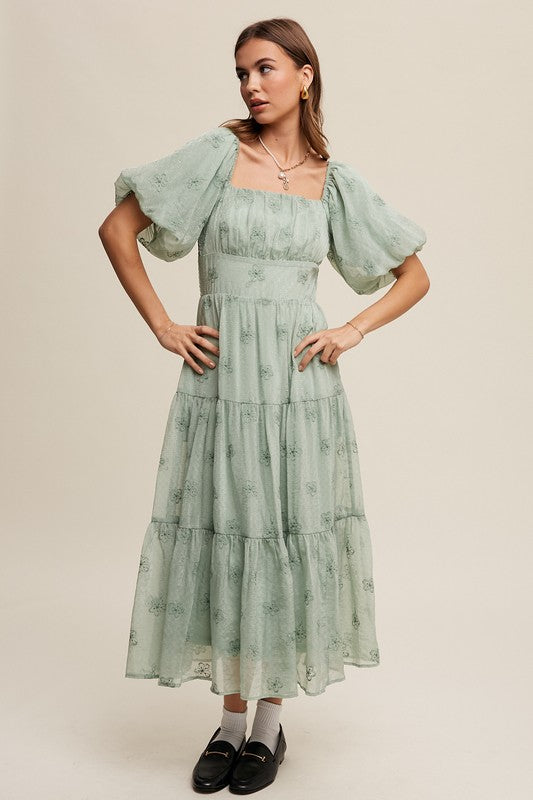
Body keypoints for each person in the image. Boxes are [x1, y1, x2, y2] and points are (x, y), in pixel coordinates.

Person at [98, 16, 429, 796]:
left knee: (284, 530)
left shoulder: (334, 181)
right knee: (231, 530)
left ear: (305, 75)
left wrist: (350, 327)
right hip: (223, 385)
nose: (250, 83)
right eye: (242, 71)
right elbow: (118, 228)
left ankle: (268, 729)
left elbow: (412, 275)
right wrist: (162, 323)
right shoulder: (217, 155)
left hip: (298, 388)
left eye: (266, 67)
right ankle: (228, 722)